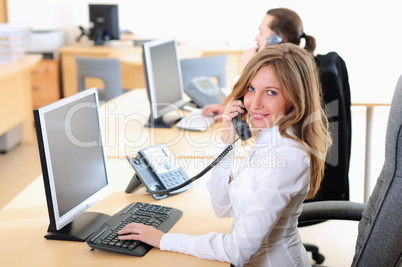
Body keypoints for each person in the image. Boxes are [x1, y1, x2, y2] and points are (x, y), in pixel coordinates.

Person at [117, 43, 331, 266]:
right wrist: (227, 142)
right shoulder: (268, 140)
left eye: (271, 92)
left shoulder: (287, 157)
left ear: (295, 98)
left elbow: (238, 250)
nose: (254, 103)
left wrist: (165, 240)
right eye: (250, 88)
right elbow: (223, 208)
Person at [202, 7, 316, 121]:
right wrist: (228, 110)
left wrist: (247, 71)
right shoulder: (298, 67)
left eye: (261, 32)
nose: (256, 38)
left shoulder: (287, 77)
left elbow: (264, 124)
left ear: (278, 39)